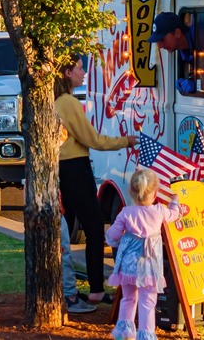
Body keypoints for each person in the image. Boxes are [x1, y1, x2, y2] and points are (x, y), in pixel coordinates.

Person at [55, 53, 137, 305]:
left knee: (66, 230)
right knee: (92, 229)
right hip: (75, 168)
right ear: (67, 73)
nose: (83, 72)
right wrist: (126, 141)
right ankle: (95, 289)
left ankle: (67, 287)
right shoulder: (68, 102)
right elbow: (93, 139)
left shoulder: (56, 101)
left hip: (62, 168)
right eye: (80, 68)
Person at [106, 169, 181, 340]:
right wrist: (175, 201)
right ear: (155, 193)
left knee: (128, 298)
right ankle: (145, 335)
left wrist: (115, 240)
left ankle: (124, 332)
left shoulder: (126, 212)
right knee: (148, 302)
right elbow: (174, 215)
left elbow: (113, 234)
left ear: (132, 192)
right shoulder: (159, 211)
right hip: (149, 266)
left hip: (128, 267)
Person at [147, 12, 196, 93]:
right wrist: (192, 80)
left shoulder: (202, 36)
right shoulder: (185, 54)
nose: (160, 46)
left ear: (177, 33)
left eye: (162, 39)